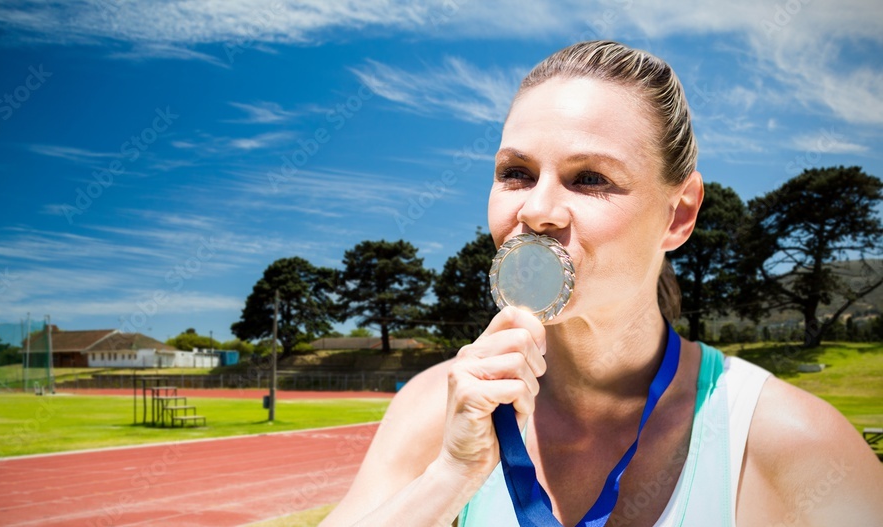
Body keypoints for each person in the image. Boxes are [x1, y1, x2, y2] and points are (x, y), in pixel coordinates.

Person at [320, 40, 883, 526]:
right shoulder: (435, 410)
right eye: (515, 173)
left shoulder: (789, 441)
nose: (538, 210)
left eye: (590, 178)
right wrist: (451, 475)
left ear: (679, 214)